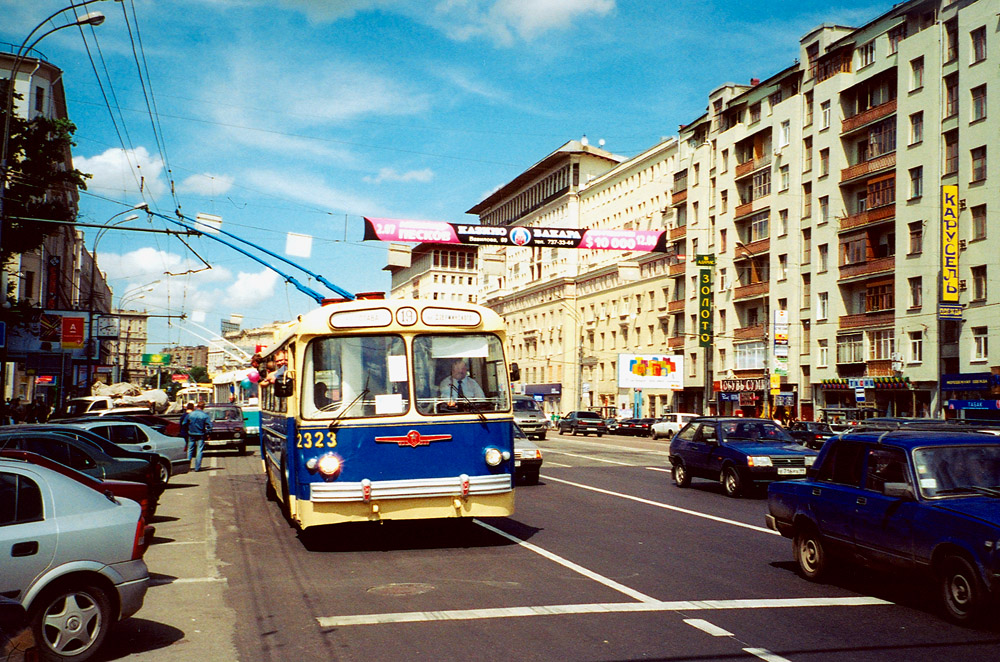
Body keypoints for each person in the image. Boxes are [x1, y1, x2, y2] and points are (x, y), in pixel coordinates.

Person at [185, 401, 213, 472]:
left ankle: (187, 467)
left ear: (197, 406)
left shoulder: (190, 414)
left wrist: (188, 429)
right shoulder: (205, 415)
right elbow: (210, 426)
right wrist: (208, 433)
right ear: (203, 407)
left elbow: (184, 423)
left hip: (191, 433)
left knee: (190, 449)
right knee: (199, 450)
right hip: (200, 434)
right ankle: (197, 467)